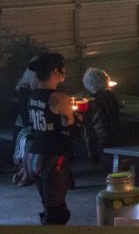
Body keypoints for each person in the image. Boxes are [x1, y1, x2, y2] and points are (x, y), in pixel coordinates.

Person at [25, 52, 81, 225]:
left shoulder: (31, 95)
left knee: (50, 208)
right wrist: (78, 120)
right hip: (53, 159)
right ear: (56, 71)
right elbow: (71, 132)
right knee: (57, 215)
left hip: (34, 156)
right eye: (62, 68)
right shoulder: (59, 99)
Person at [81, 68, 120, 163]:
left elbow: (89, 128)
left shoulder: (92, 101)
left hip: (101, 142)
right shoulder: (111, 96)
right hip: (116, 137)